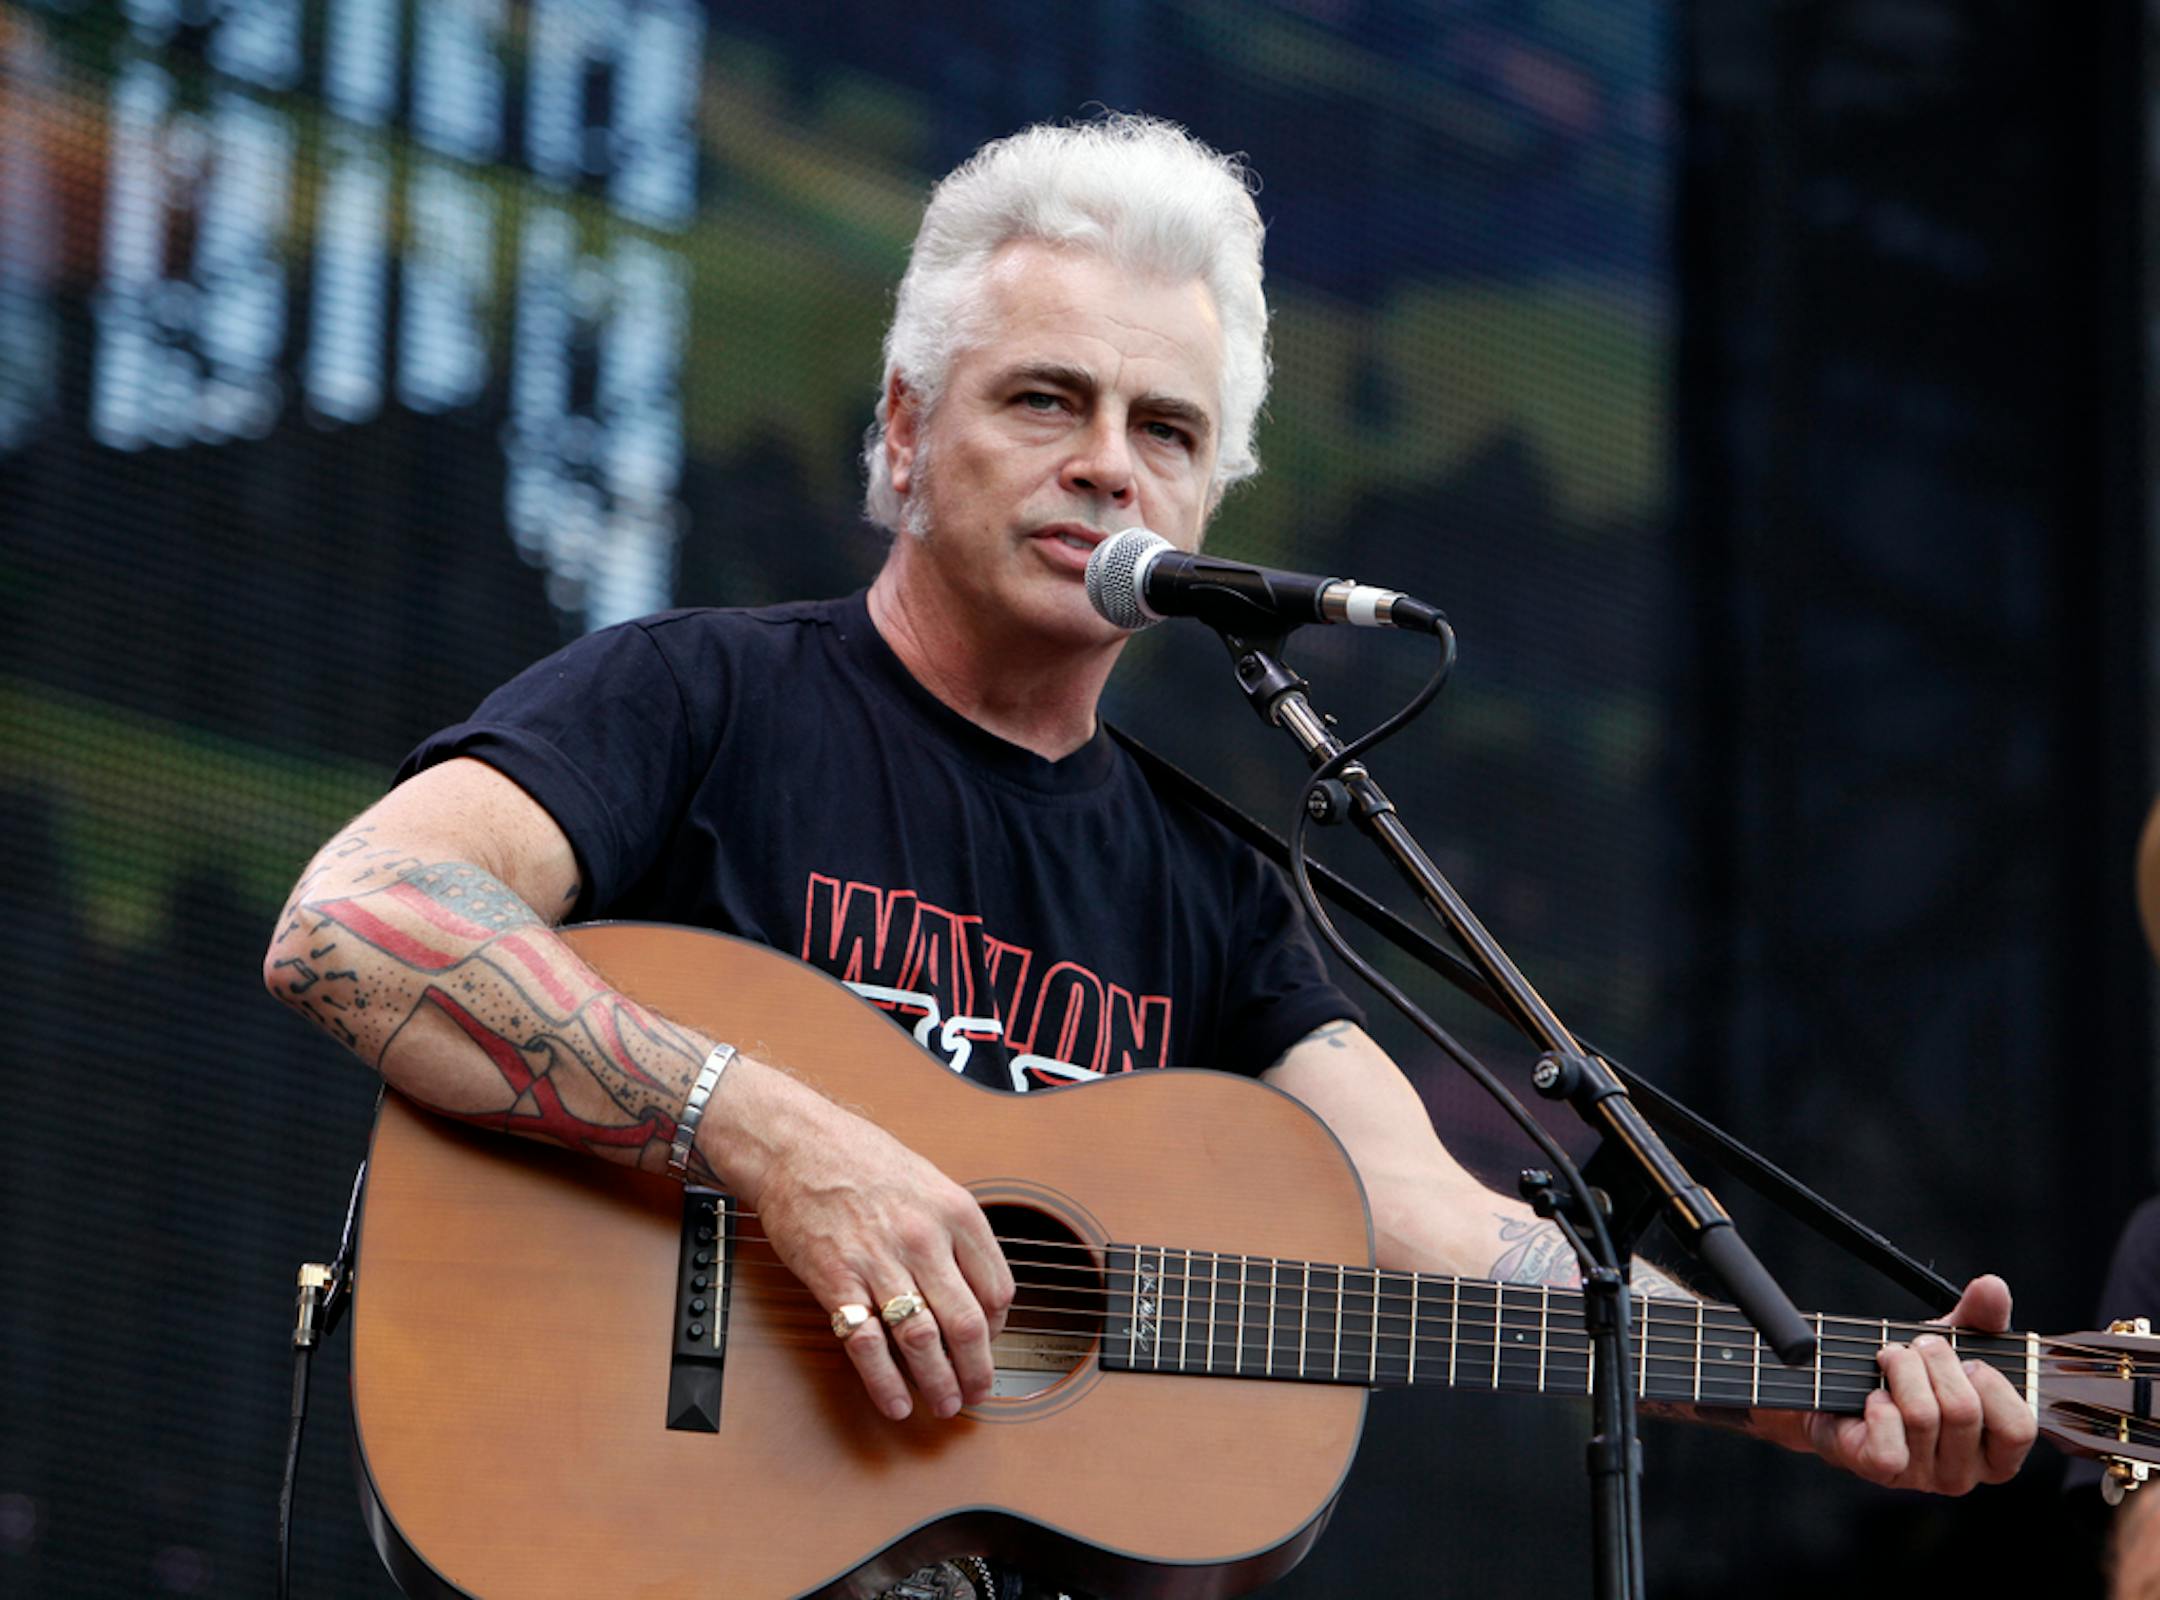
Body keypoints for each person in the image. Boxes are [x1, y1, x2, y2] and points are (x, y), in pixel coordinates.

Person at [263, 114, 2035, 1594]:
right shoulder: (694, 698)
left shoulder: (1216, 889)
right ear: (901, 430)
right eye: (1046, 400)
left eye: (1166, 432)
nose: (1108, 468)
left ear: (1209, 502)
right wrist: (777, 1135)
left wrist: (1796, 1384)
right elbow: (355, 918)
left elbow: (1433, 1228)